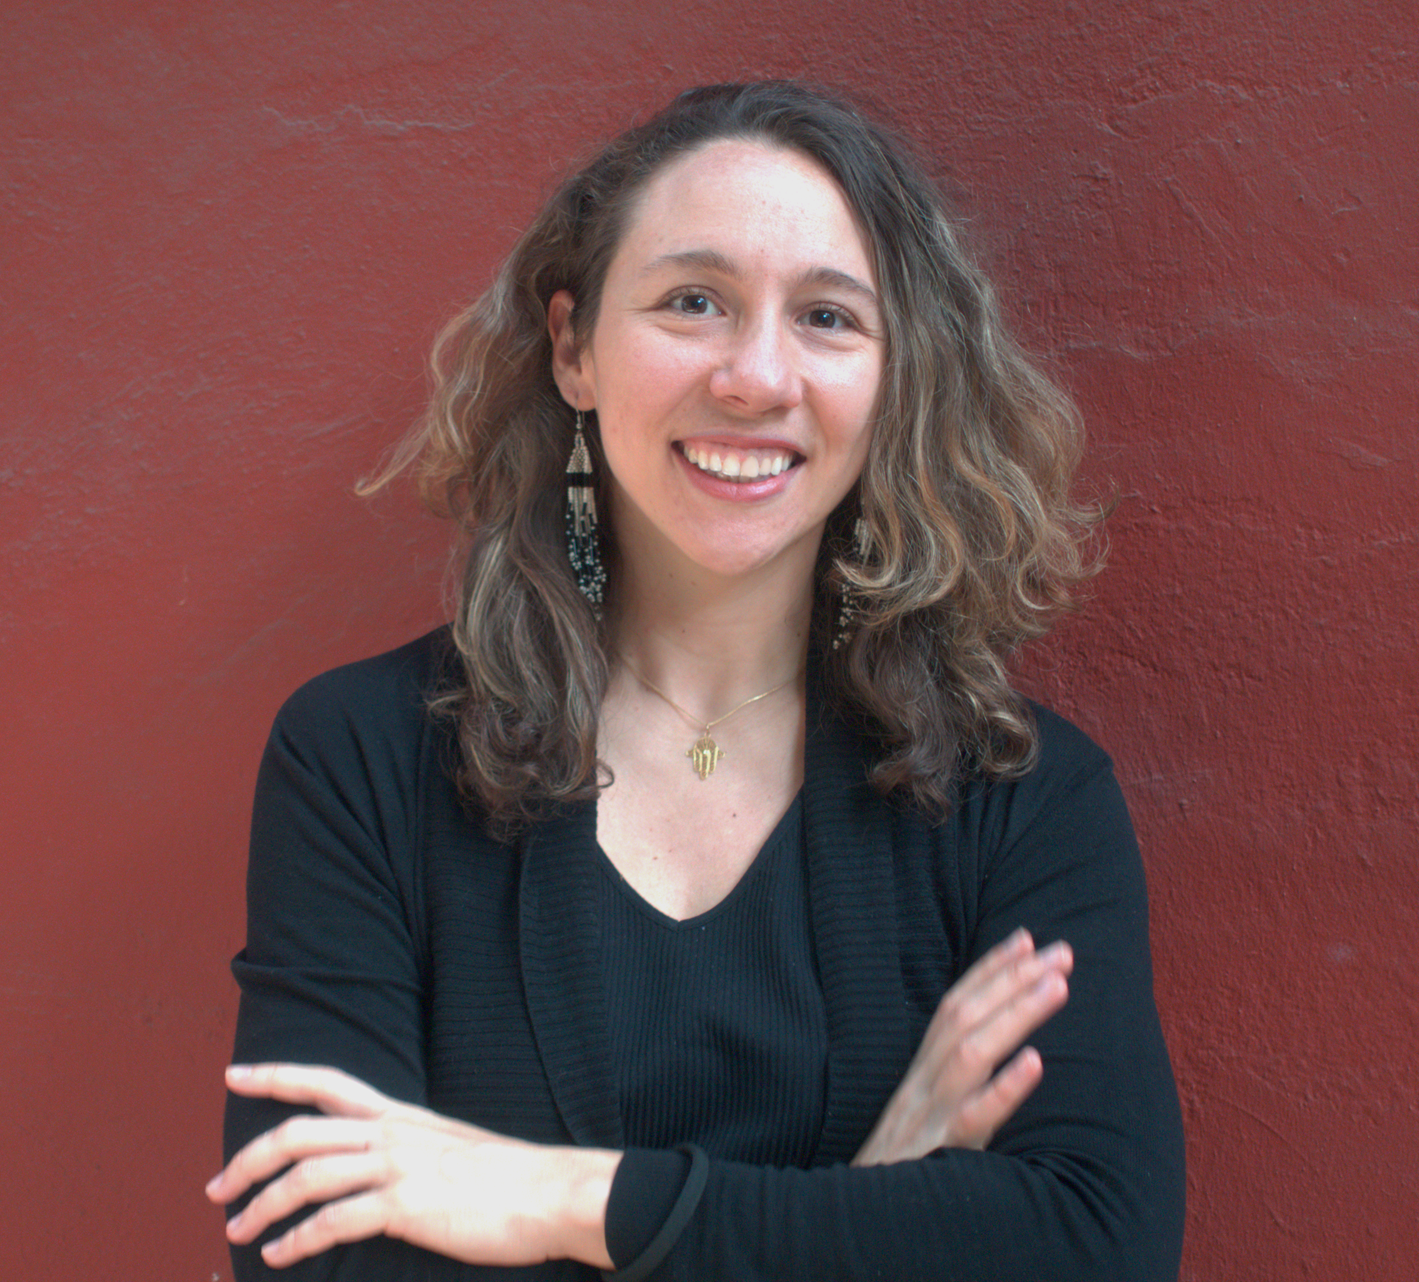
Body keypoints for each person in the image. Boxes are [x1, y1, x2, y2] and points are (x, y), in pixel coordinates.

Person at [207, 81, 1185, 1280]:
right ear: (573, 347)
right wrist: (872, 1200)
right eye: (693, 301)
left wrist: (563, 1199)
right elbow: (311, 1257)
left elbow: (1095, 1244)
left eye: (828, 317)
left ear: (897, 378)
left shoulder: (1021, 799)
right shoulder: (362, 761)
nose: (757, 376)